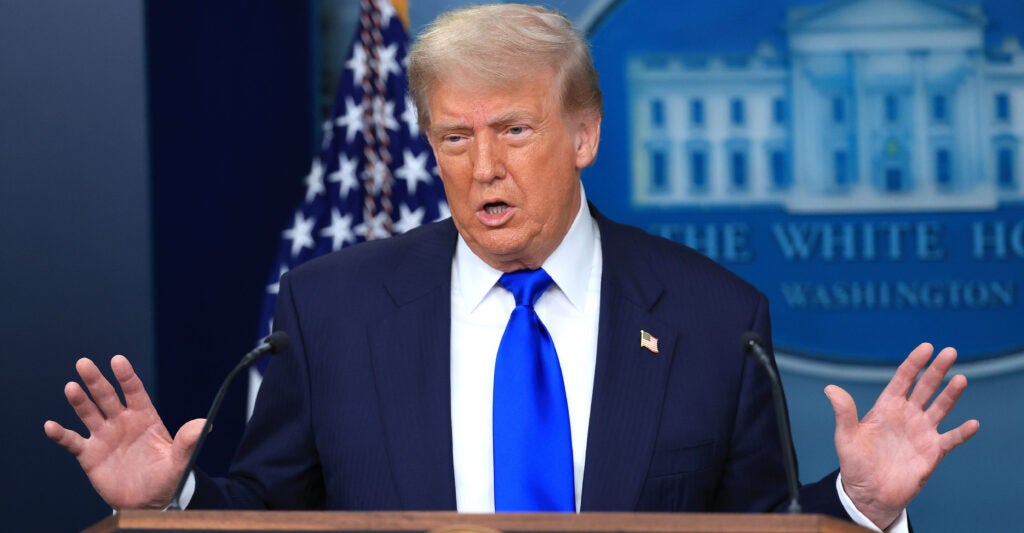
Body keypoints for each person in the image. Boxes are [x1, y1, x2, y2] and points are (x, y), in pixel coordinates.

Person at [45, 4, 978, 531]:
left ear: (584, 133)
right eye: (453, 136)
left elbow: (760, 525)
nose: (481, 165)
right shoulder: (331, 308)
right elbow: (265, 510)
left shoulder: (712, 315)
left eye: (513, 131)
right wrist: (173, 500)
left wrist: (859, 502)